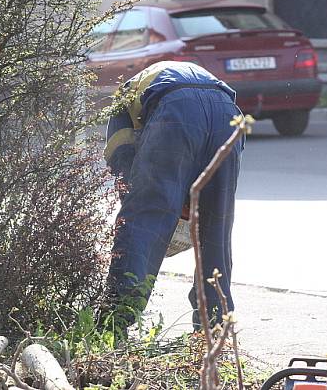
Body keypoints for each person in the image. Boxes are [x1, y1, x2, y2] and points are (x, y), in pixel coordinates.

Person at [102, 60, 244, 328]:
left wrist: (138, 204)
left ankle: (116, 319)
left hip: (176, 109)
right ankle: (214, 325)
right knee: (216, 226)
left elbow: (121, 160)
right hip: (228, 112)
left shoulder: (123, 99)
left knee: (142, 219)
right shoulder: (177, 79)